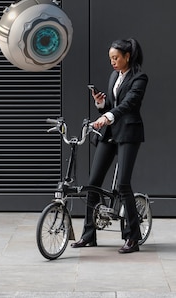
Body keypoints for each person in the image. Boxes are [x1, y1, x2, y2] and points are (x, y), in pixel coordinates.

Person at [71, 38, 148, 254]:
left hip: (129, 134)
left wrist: (109, 114)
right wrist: (101, 104)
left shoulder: (140, 77)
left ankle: (133, 237)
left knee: (123, 184)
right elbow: (113, 106)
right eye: (110, 58)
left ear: (127, 57)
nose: (112, 62)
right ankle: (88, 235)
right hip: (111, 133)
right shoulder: (115, 76)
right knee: (93, 183)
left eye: (116, 58)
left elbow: (129, 103)